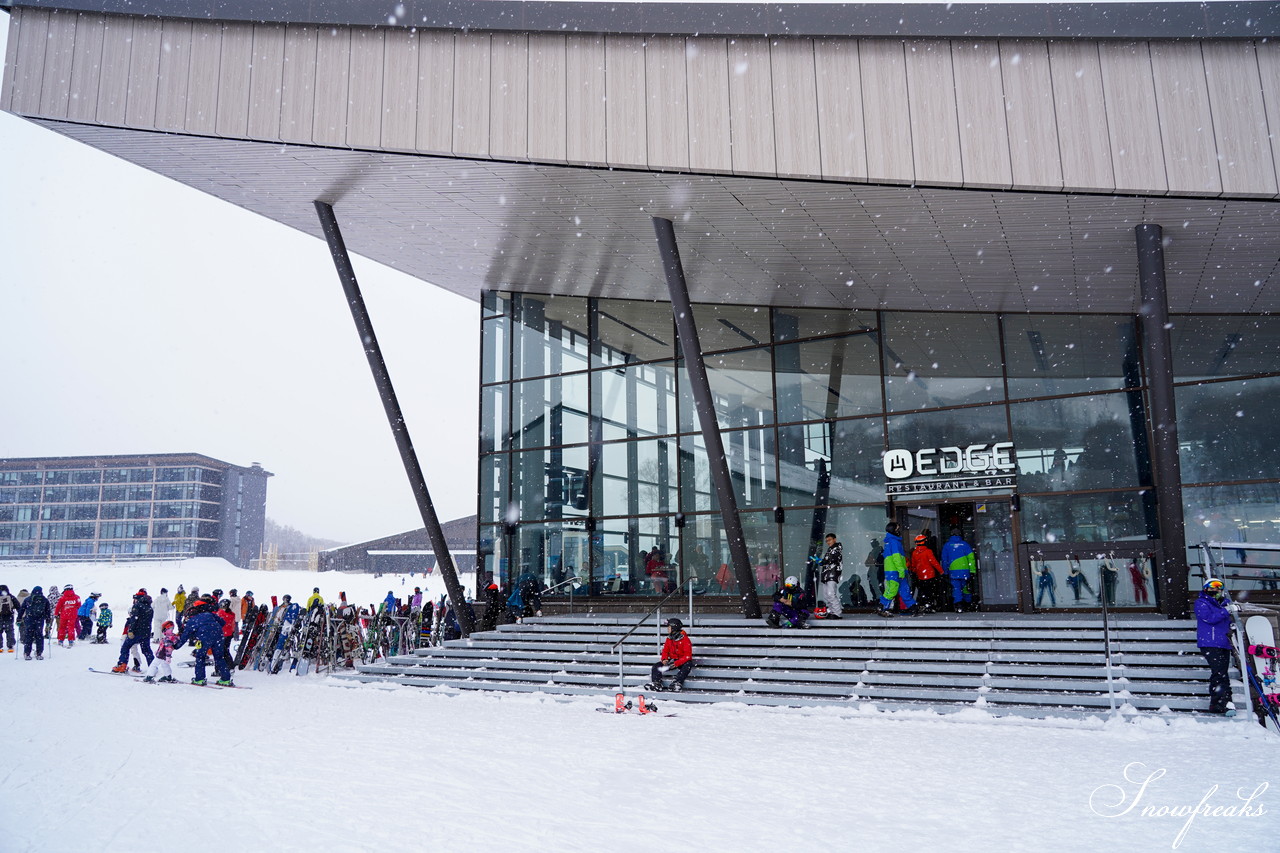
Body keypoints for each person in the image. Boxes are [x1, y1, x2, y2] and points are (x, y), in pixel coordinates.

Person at [1195, 578, 1236, 716]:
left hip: (1224, 642)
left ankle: (1218, 703)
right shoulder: (1201, 603)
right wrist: (1226, 610)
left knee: (1221, 673)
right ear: (1206, 588)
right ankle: (1223, 703)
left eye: (1219, 587)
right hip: (1210, 643)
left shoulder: (1224, 604)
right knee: (1220, 673)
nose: (1216, 590)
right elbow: (1209, 618)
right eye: (1212, 587)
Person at [175, 597, 234, 686]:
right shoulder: (209, 614)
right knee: (219, 657)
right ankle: (225, 679)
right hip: (218, 635)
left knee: (200, 657)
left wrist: (176, 646)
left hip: (204, 637)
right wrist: (213, 627)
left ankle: (199, 679)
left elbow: (184, 637)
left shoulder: (192, 621)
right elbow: (222, 622)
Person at [111, 589, 155, 673]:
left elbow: (134, 619)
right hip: (146, 632)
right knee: (146, 650)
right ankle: (153, 667)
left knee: (126, 647)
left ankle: (122, 665)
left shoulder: (137, 606)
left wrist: (131, 631)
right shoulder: (149, 608)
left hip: (136, 632)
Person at [880, 522, 918, 617]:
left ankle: (912, 607)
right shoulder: (894, 542)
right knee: (893, 590)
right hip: (895, 571)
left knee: (903, 590)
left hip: (894, 571)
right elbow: (897, 558)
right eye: (897, 528)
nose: (898, 530)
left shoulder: (890, 542)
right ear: (894, 530)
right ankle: (883, 607)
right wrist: (901, 570)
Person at [647, 617, 693, 691]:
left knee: (688, 665)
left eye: (669, 627)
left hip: (681, 661)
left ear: (674, 628)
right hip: (671, 660)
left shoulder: (685, 640)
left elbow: (687, 656)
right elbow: (665, 651)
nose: (668, 629)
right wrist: (664, 659)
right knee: (656, 666)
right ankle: (656, 683)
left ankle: (677, 682)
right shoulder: (669, 639)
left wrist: (676, 663)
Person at [942, 528, 977, 612]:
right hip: (965, 571)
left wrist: (945, 572)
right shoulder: (965, 544)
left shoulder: (947, 545)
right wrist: (972, 570)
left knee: (956, 588)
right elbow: (971, 558)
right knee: (966, 588)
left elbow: (944, 560)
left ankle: (959, 605)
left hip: (953, 571)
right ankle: (968, 604)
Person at [909, 533, 943, 613]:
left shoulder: (915, 553)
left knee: (922, 591)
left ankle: (923, 605)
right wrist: (941, 571)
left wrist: (914, 572)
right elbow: (934, 562)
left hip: (920, 575)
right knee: (930, 592)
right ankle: (929, 606)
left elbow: (913, 564)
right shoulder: (928, 551)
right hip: (929, 575)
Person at [18, 586, 50, 660]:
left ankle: (27, 653)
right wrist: (48, 620)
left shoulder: (28, 599)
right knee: (39, 636)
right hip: (40, 620)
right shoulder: (44, 600)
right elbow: (48, 611)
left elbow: (22, 609)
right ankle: (39, 653)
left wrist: (19, 618)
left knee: (28, 635)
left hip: (29, 619)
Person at [817, 533, 844, 619]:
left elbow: (832, 559)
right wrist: (822, 562)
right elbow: (827, 560)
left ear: (834, 539)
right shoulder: (830, 550)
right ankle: (832, 611)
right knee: (827, 595)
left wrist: (823, 561)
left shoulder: (837, 549)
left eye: (829, 540)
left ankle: (837, 612)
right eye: (827, 541)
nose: (828, 542)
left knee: (831, 594)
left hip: (832, 574)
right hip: (827, 575)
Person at [864, 538, 884, 604]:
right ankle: (877, 599)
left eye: (873, 543)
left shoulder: (880, 551)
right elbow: (867, 563)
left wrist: (873, 562)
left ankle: (879, 600)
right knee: (874, 587)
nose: (872, 544)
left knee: (877, 587)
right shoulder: (873, 552)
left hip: (877, 572)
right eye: (872, 543)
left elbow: (872, 562)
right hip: (873, 572)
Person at [0, 584, 18, 653]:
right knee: (10, 630)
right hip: (9, 616)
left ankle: (0, 647)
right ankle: (10, 646)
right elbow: (18, 605)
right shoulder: (11, 597)